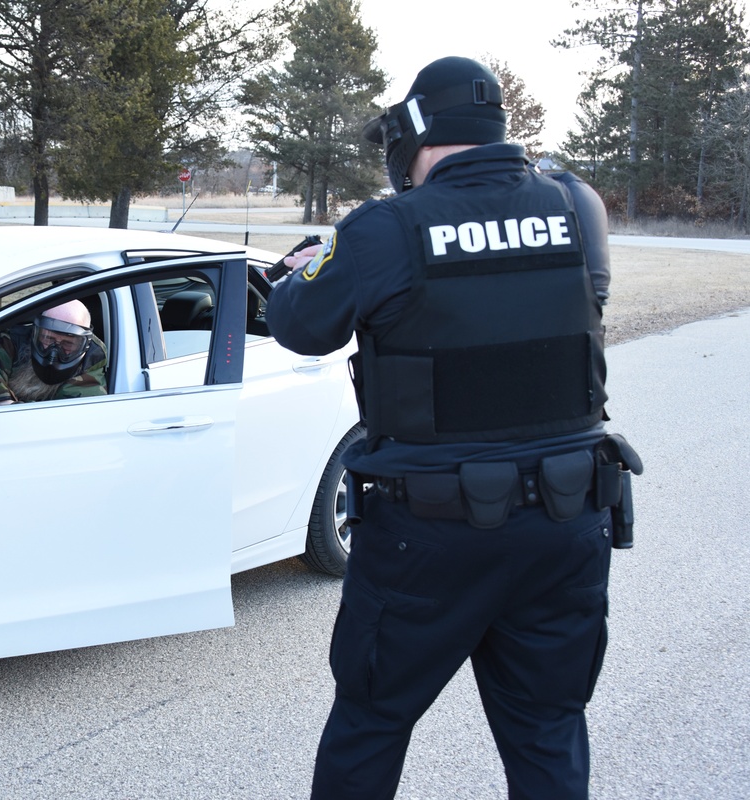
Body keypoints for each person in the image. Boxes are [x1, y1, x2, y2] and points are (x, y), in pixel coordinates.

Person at [266, 56, 641, 800]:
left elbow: (301, 327)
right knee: (548, 730)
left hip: (429, 536)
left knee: (371, 721)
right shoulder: (574, 205)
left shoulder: (386, 227)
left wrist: (299, 271)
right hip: (566, 522)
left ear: (413, 136)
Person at [0, 298, 107, 406]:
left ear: (83, 345)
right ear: (36, 332)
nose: (54, 351)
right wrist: (1, 402)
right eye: (48, 339)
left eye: (67, 343)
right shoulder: (15, 340)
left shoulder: (92, 361)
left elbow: (68, 414)